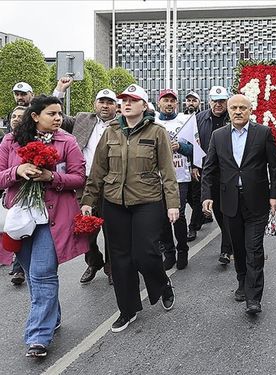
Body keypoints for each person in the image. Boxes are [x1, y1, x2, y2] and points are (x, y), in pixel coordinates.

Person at [80, 84, 179, 333]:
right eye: (123, 100)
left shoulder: (157, 132)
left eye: (133, 100)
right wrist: (88, 201)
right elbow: (98, 171)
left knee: (145, 254)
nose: (126, 103)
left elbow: (168, 172)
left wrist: (173, 204)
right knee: (121, 259)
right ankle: (128, 309)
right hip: (114, 202)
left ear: (144, 106)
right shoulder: (111, 132)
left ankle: (162, 284)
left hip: (148, 200)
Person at [0, 95, 88, 357]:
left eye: (60, 113)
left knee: (42, 274)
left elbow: (79, 177)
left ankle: (38, 336)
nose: (58, 118)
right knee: (32, 273)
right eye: (52, 114)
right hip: (20, 218)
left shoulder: (67, 141)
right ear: (35, 116)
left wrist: (52, 177)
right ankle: (53, 316)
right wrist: (18, 172)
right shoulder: (11, 141)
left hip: (53, 219)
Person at [201, 94, 276, 315]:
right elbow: (209, 168)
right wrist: (206, 196)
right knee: (238, 247)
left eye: (242, 108)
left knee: (254, 249)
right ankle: (242, 282)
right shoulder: (218, 136)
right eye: (234, 107)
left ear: (250, 110)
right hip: (229, 201)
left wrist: (275, 196)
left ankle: (254, 298)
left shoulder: (263, 133)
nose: (238, 111)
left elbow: (274, 167)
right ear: (228, 110)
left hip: (256, 201)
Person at [66, 89, 119, 285]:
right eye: (101, 101)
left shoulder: (122, 124)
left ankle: (112, 268)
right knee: (84, 230)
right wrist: (61, 90)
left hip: (111, 183)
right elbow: (55, 116)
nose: (105, 105)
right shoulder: (82, 119)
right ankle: (93, 261)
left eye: (110, 102)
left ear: (116, 106)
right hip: (84, 183)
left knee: (112, 230)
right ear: (94, 104)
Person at [154, 89, 192, 270]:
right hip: (157, 178)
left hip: (180, 176)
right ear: (158, 103)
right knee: (161, 218)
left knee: (178, 215)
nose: (169, 104)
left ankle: (182, 250)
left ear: (176, 103)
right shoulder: (152, 123)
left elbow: (195, 149)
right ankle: (169, 253)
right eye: (165, 100)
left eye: (172, 101)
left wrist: (181, 147)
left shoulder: (185, 121)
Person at [194, 86, 233, 263]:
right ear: (209, 101)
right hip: (209, 171)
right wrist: (194, 165)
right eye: (215, 101)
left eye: (222, 101)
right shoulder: (199, 118)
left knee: (229, 211)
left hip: (230, 173)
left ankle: (226, 249)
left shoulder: (233, 117)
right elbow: (192, 144)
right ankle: (230, 242)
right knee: (217, 211)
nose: (218, 105)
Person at [2, 106, 28, 284]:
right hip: (14, 198)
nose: (16, 119)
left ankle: (21, 269)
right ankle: (19, 268)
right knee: (16, 233)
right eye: (13, 116)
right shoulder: (7, 140)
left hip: (37, 201)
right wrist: (16, 171)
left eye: (20, 116)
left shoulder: (40, 139)